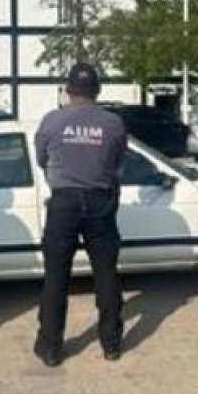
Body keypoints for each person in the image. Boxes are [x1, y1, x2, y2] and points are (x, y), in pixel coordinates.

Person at [33, 62, 127, 367]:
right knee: (106, 273)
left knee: (56, 276)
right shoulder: (113, 123)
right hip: (100, 201)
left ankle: (50, 347)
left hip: (63, 202)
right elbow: (116, 163)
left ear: (68, 90)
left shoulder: (52, 121)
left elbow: (41, 158)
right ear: (97, 90)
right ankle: (111, 344)